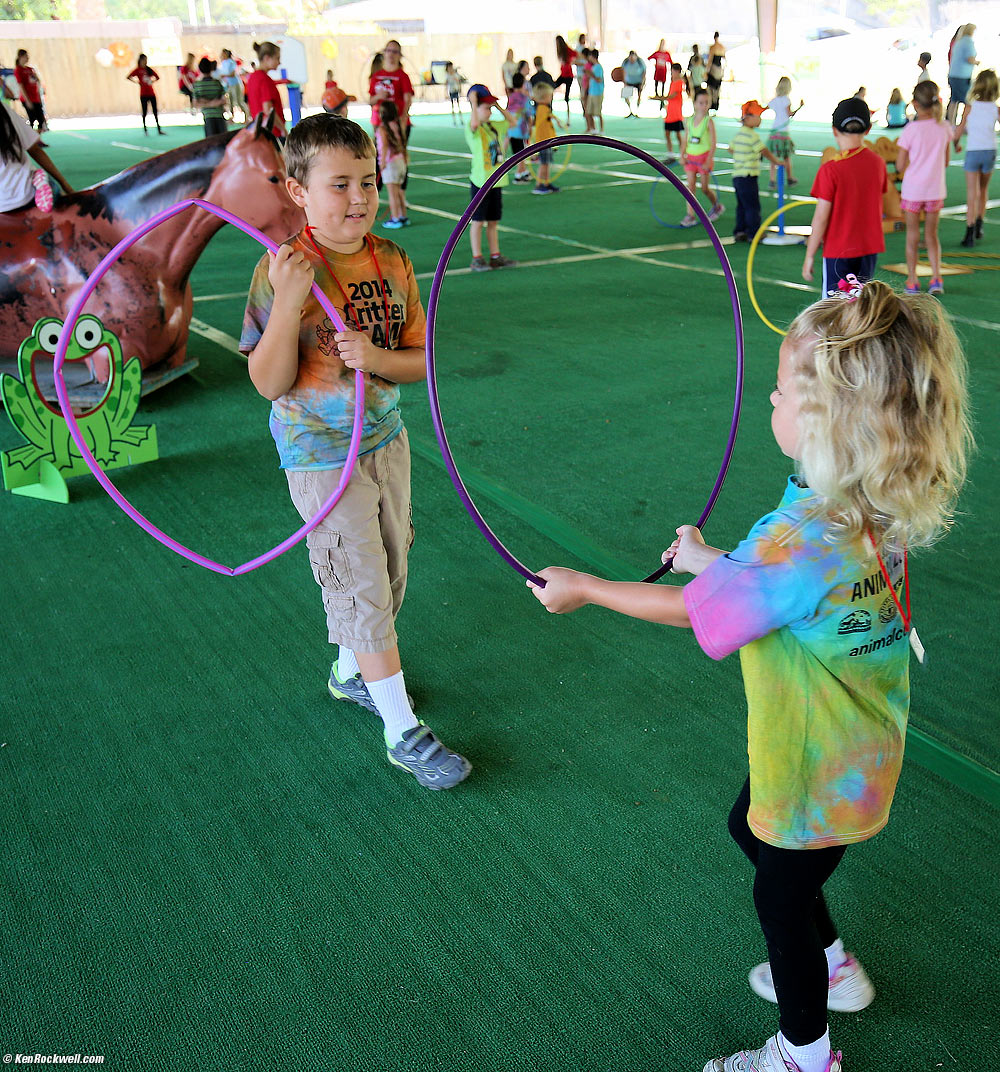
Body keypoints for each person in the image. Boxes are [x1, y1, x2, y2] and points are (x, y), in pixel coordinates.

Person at [527, 277, 973, 1072]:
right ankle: (833, 969)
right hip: (860, 752)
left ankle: (805, 1057)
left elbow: (705, 615)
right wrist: (711, 560)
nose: (769, 400)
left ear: (825, 423)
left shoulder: (794, 538)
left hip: (814, 768)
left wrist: (587, 589)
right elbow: (778, 582)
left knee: (778, 897)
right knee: (753, 836)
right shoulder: (858, 498)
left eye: (779, 392)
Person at [240, 114, 471, 790]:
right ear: (297, 190)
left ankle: (351, 671)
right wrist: (287, 305)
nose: (359, 198)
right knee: (362, 581)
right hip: (318, 455)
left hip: (384, 442)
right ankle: (403, 730)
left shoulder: (392, 260)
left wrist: (375, 357)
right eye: (339, 184)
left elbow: (420, 361)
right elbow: (266, 382)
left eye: (367, 181)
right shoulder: (282, 269)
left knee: (393, 567)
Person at [802, 98, 887, 295]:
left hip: (838, 249)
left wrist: (809, 254)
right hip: (867, 247)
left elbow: (821, 216)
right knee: (860, 305)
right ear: (868, 129)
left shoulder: (831, 169)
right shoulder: (878, 163)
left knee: (833, 309)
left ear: (834, 130)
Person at [896, 80, 950, 295]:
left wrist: (912, 164)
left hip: (913, 191)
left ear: (915, 104)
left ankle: (912, 280)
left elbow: (900, 165)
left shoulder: (911, 130)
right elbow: (945, 161)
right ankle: (936, 278)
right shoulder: (944, 127)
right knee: (932, 236)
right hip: (934, 190)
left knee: (912, 236)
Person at [464, 84, 518, 271]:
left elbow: (513, 123)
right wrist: (473, 104)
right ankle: (477, 257)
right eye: (485, 108)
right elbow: (473, 124)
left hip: (496, 181)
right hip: (481, 182)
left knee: (493, 221)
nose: (489, 111)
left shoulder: (494, 126)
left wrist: (498, 106)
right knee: (478, 222)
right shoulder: (475, 129)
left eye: (490, 108)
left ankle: (495, 255)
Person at [952, 68, 999, 246]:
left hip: (973, 151)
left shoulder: (970, 108)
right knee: (983, 190)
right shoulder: (996, 109)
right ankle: (979, 223)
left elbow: (959, 130)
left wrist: (955, 143)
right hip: (990, 151)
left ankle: (969, 232)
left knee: (972, 193)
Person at [0, 99, 73, 212]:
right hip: (27, 193)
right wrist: (65, 185)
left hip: (3, 207)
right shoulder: (4, 110)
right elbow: (35, 150)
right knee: (56, 195)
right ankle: (42, 181)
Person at [731, 100, 782, 242]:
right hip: (748, 176)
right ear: (748, 118)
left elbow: (731, 148)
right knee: (753, 206)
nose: (760, 119)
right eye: (758, 115)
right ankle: (754, 233)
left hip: (737, 176)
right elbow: (763, 150)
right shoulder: (752, 136)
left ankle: (740, 231)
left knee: (742, 205)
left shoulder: (739, 134)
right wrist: (776, 161)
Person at [680, 86, 722, 226]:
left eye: (707, 102)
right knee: (690, 188)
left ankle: (717, 206)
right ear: (695, 103)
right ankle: (690, 216)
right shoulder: (689, 121)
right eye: (701, 102)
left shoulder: (708, 122)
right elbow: (685, 139)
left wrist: (708, 160)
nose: (704, 106)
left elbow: (713, 143)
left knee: (704, 188)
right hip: (691, 158)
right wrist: (682, 155)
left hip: (704, 158)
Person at [369, 40, 413, 142]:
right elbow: (371, 101)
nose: (391, 54)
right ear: (384, 53)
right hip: (380, 123)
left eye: (395, 52)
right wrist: (379, 96)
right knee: (380, 155)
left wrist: (403, 119)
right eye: (389, 51)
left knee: (397, 155)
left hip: (398, 123)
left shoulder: (403, 76)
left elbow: (408, 100)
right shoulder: (376, 76)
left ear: (399, 55)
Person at [375, 100, 408, 228]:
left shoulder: (382, 128)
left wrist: (382, 162)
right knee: (399, 191)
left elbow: (384, 146)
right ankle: (402, 215)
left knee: (392, 193)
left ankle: (395, 218)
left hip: (390, 163)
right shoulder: (397, 125)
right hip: (400, 162)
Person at [529, 81, 566, 194]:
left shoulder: (544, 108)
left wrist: (557, 121)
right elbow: (543, 119)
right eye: (550, 96)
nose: (551, 98)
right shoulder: (542, 109)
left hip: (547, 141)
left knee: (547, 163)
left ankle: (546, 183)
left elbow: (548, 118)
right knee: (544, 164)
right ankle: (539, 184)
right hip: (543, 142)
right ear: (544, 97)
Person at [767, 76, 804, 187]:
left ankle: (772, 180)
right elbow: (789, 114)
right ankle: (789, 178)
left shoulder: (774, 100)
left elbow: (766, 107)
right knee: (787, 157)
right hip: (783, 131)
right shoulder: (786, 100)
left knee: (773, 157)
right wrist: (800, 107)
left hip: (774, 130)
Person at [246, 42, 287, 137]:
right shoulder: (264, 79)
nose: (279, 62)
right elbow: (268, 109)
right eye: (277, 58)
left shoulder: (253, 77)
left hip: (259, 131)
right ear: (267, 58)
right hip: (272, 133)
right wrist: (282, 129)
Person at [126, 54, 165, 137]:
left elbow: (157, 77)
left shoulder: (149, 70)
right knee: (144, 111)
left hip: (151, 93)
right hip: (143, 94)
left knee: (155, 111)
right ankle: (145, 129)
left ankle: (159, 129)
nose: (145, 62)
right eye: (144, 60)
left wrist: (152, 81)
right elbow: (128, 77)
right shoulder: (138, 70)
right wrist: (138, 82)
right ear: (141, 60)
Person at [947, 24, 977, 126]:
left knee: (954, 100)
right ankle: (964, 125)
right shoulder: (968, 42)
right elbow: (970, 58)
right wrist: (976, 62)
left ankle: (951, 124)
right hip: (962, 76)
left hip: (953, 75)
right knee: (968, 101)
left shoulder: (958, 42)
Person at [506, 71, 532, 183]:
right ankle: (519, 174)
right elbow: (528, 115)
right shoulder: (525, 98)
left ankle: (524, 171)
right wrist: (530, 127)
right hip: (521, 130)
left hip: (512, 129)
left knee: (518, 152)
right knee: (521, 154)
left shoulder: (511, 97)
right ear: (523, 84)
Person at [191, 57, 227, 138]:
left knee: (211, 143)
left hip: (208, 117)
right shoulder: (217, 83)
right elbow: (223, 100)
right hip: (219, 115)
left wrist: (206, 103)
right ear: (211, 68)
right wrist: (214, 103)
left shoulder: (197, 85)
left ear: (199, 69)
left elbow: (196, 103)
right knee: (223, 141)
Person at [14, 50, 47, 133]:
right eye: (26, 56)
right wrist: (27, 100)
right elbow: (21, 86)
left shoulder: (30, 69)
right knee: (32, 119)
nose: (28, 58)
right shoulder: (18, 70)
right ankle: (31, 140)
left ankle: (38, 139)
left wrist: (39, 96)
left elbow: (37, 82)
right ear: (20, 57)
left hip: (35, 97)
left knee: (40, 119)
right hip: (27, 99)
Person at [662, 62, 686, 163]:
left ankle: (683, 154)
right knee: (667, 134)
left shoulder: (680, 82)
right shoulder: (672, 82)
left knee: (678, 135)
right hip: (670, 113)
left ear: (676, 71)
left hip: (676, 114)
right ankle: (671, 155)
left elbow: (672, 96)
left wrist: (659, 98)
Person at [217, 49, 245, 122]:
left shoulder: (231, 62)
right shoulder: (223, 63)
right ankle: (232, 117)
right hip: (229, 84)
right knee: (230, 101)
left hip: (235, 83)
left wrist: (223, 75)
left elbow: (232, 74)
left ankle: (246, 117)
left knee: (239, 101)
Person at [554, 36, 577, 119]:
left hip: (569, 76)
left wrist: (572, 61)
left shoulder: (566, 50)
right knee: (552, 86)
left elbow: (576, 54)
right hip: (563, 75)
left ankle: (568, 118)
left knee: (566, 96)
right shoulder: (560, 52)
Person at [621, 51, 646, 117]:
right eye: (630, 58)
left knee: (639, 96)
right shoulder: (625, 62)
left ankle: (637, 111)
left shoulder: (640, 62)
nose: (631, 59)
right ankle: (630, 111)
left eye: (633, 58)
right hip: (629, 81)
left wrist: (643, 83)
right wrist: (624, 82)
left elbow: (644, 72)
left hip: (638, 81)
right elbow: (622, 71)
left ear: (636, 57)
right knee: (625, 96)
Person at [585, 49, 605, 134]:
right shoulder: (593, 67)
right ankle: (593, 128)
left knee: (598, 112)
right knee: (588, 112)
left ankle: (601, 129)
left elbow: (599, 80)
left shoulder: (598, 67)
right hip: (591, 92)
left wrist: (591, 75)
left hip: (598, 92)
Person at [706, 32, 725, 110]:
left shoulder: (713, 47)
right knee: (717, 88)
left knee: (711, 88)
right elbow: (724, 59)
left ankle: (712, 104)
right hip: (720, 69)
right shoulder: (722, 47)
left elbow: (710, 60)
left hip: (713, 68)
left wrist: (707, 71)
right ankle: (716, 104)